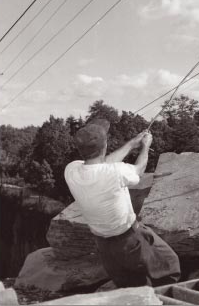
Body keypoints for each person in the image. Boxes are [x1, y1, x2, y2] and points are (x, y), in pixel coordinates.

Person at [63, 119, 181, 287]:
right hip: (130, 240)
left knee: (133, 287)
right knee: (169, 266)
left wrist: (132, 143)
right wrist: (145, 146)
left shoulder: (71, 170)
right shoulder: (116, 172)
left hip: (104, 247)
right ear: (105, 146)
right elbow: (138, 170)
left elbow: (101, 164)